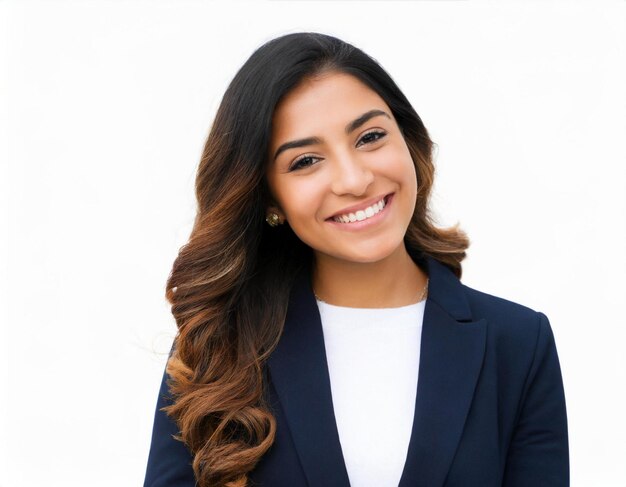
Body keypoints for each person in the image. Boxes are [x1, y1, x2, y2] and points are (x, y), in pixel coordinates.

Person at [143, 32, 569, 487]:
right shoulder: (220, 348)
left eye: (369, 137)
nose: (353, 179)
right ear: (269, 199)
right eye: (306, 160)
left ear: (409, 140)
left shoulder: (519, 344)